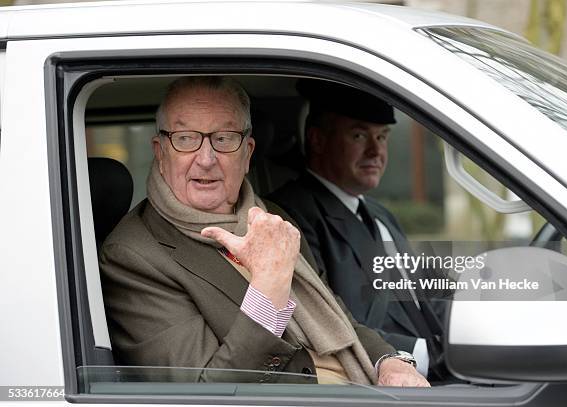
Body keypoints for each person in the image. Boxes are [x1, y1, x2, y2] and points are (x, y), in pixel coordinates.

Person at [99, 76, 429, 387]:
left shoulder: (273, 218)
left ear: (247, 153)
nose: (206, 158)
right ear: (160, 152)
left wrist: (390, 360)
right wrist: (269, 288)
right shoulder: (133, 254)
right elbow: (205, 395)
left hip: (362, 387)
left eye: (224, 138)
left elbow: (339, 317)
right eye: (186, 139)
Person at [269, 79, 447, 380]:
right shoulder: (288, 217)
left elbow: (422, 297)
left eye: (382, 136)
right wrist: (432, 355)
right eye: (359, 135)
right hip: (386, 379)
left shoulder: (380, 215)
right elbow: (327, 321)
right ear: (317, 140)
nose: (376, 150)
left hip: (437, 367)